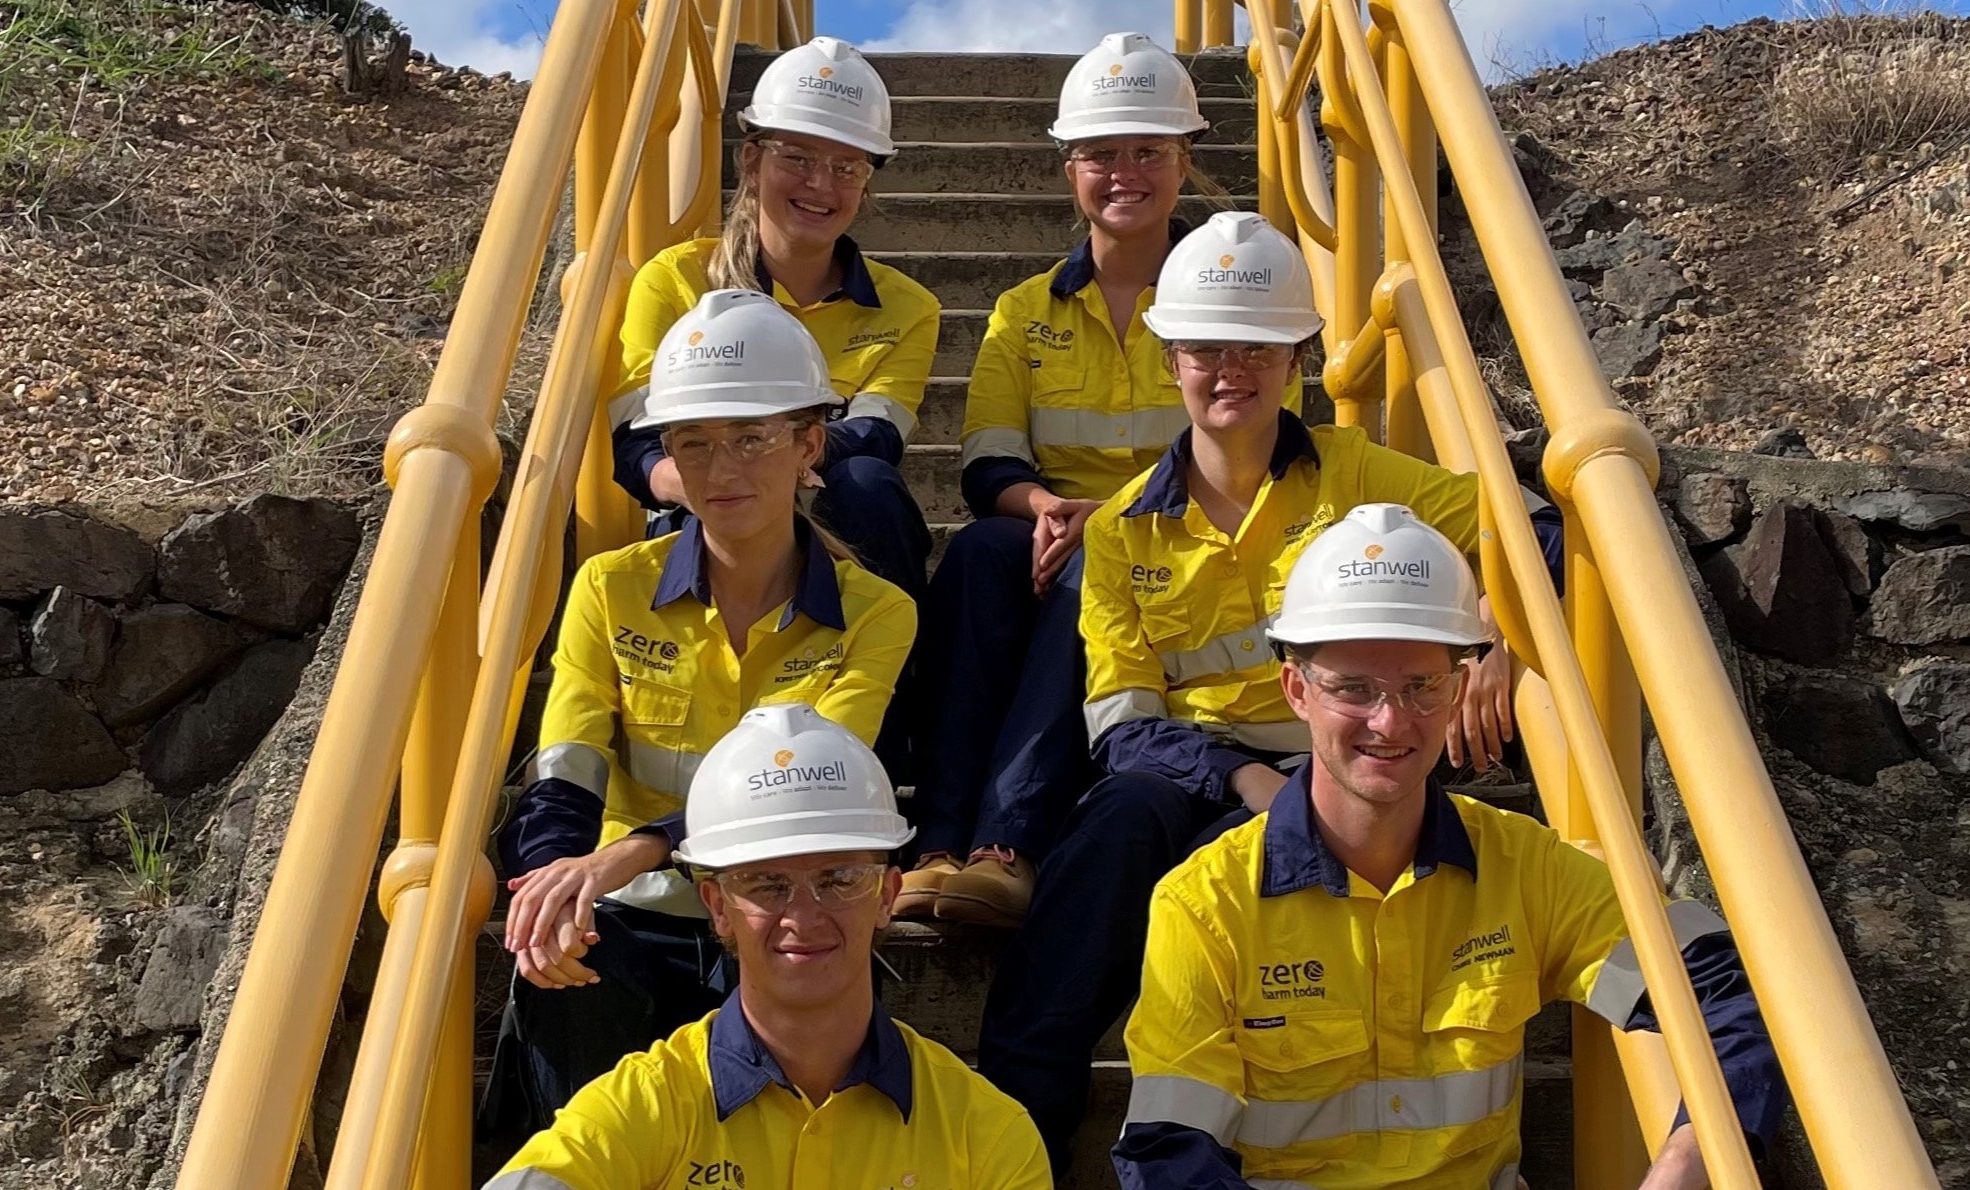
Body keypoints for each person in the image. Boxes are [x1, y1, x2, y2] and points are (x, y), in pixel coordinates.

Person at [973, 211, 1562, 1173]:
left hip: (1359, 755)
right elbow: (1122, 725)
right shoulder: (1123, 531)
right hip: (1192, 779)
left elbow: (1526, 530)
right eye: (1203, 346)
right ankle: (1015, 1137)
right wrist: (1244, 785)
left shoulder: (1362, 479)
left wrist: (1501, 631)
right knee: (1112, 832)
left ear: (1297, 358)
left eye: (1258, 346)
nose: (1228, 369)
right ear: (1169, 359)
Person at [1113, 504, 1786, 1188]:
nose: (1389, 719)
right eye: (1353, 688)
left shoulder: (1525, 868)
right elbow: (1169, 1152)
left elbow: (1723, 989)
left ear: (1460, 688)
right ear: (1297, 690)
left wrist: (1687, 1159)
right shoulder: (1204, 905)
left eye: (1421, 686)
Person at [477, 290, 917, 1146]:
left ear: (809, 447)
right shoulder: (609, 588)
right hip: (628, 911)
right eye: (695, 444)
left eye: (753, 439)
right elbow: (566, 762)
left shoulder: (877, 613)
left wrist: (620, 855)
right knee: (572, 995)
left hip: (781, 914)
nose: (722, 472)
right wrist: (555, 882)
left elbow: (791, 804)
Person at [902, 32, 1289, 927]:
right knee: (977, 561)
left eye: (1148, 150)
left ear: (1186, 159)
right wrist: (1041, 507)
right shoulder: (1023, 310)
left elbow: (1257, 442)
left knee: (1095, 557)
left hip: (1188, 537)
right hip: (1050, 531)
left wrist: (1101, 518)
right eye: (1100, 154)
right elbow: (986, 460)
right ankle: (934, 840)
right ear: (1068, 168)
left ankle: (1011, 846)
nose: (1125, 172)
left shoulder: (1241, 294)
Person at [484, 704, 1052, 1190]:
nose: (803, 916)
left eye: (840, 878)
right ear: (718, 907)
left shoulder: (987, 1133)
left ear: (888, 894)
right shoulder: (644, 1106)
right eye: (766, 884)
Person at [606, 36, 940, 601]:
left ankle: (894, 681)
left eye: (846, 167)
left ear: (867, 181)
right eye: (798, 157)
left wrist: (767, 472)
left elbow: (878, 435)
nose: (820, 184)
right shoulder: (675, 280)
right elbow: (637, 442)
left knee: (869, 486)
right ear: (751, 159)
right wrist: (714, 484)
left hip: (829, 494)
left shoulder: (909, 307)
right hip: (704, 501)